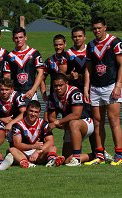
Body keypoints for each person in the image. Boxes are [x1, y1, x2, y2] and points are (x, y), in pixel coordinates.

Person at [84, 17, 122, 166]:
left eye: (99, 28)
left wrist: (118, 85)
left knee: (113, 120)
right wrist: (86, 88)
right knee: (97, 122)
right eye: (94, 28)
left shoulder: (115, 42)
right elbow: (88, 69)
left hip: (111, 85)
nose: (97, 31)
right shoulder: (91, 45)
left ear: (105, 27)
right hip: (95, 87)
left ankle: (119, 154)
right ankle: (100, 155)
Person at [47, 73, 94, 166]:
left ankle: (77, 158)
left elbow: (76, 114)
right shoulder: (53, 96)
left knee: (73, 123)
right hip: (70, 126)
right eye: (55, 86)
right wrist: (60, 124)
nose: (58, 88)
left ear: (66, 83)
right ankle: (95, 156)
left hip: (85, 122)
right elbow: (51, 117)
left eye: (60, 85)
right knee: (67, 159)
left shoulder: (74, 92)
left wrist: (58, 122)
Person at [8, 100, 64, 168]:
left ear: (39, 113)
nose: (33, 114)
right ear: (26, 111)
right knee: (12, 149)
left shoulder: (43, 124)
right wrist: (33, 146)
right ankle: (25, 163)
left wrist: (37, 151)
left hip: (39, 154)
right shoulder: (18, 125)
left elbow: (50, 141)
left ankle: (51, 160)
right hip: (23, 153)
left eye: (36, 112)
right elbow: (17, 144)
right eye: (31, 111)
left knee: (53, 147)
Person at [7, 27, 45, 101]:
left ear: (25, 37)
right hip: (15, 93)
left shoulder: (34, 53)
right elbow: (7, 76)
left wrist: (33, 90)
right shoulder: (9, 56)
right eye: (16, 38)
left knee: (32, 112)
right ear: (13, 39)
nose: (18, 40)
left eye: (21, 37)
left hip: (31, 92)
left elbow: (40, 73)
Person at [40, 34, 68, 100]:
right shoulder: (49, 61)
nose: (58, 47)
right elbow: (41, 78)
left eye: (60, 45)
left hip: (68, 94)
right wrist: (44, 94)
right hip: (54, 95)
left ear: (65, 44)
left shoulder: (70, 58)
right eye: (56, 45)